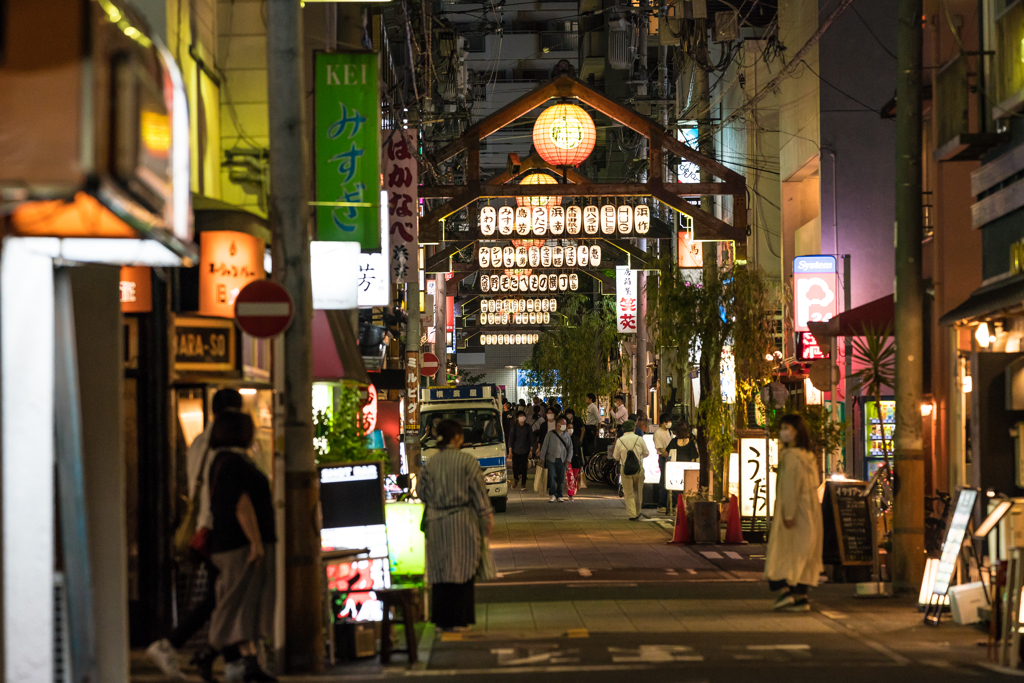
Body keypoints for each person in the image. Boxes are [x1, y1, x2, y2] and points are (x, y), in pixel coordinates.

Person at [147, 388, 243, 682]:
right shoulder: (222, 445)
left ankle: (228, 659)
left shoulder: (200, 442)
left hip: (205, 528)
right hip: (220, 530)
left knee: (220, 596)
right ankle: (171, 645)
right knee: (220, 598)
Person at [206, 410, 278, 682]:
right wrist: (256, 542)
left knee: (240, 604)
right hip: (240, 546)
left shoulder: (221, 462)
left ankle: (249, 662)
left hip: (230, 543)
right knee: (237, 603)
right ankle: (210, 652)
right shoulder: (235, 464)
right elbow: (242, 505)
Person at [419, 420, 495, 630]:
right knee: (463, 567)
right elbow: (479, 495)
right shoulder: (467, 462)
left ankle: (442, 620)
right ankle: (461, 618)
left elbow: (421, 493)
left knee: (440, 569)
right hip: (463, 520)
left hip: (435, 520)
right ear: (457, 438)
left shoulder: (430, 464)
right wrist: (486, 518)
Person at [765, 414, 824, 612]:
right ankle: (801, 596)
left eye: (786, 427)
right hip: (810, 512)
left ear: (796, 432)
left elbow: (790, 488)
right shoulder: (808, 457)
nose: (783, 431)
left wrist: (788, 514)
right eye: (782, 427)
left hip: (793, 513)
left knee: (783, 553)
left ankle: (784, 593)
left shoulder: (790, 458)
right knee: (804, 554)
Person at [613, 420, 649, 520]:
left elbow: (616, 456)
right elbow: (646, 453)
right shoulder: (639, 439)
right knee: (638, 491)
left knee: (628, 492)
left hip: (625, 468)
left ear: (623, 429)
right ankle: (638, 512)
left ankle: (632, 514)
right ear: (634, 428)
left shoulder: (620, 440)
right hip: (638, 467)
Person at [538, 416, 573, 502]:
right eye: (563, 424)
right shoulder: (550, 434)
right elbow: (544, 447)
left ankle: (560, 495)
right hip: (551, 459)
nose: (565, 426)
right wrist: (542, 458)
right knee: (552, 476)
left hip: (562, 459)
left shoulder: (567, 435)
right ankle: (552, 494)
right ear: (558, 425)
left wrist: (568, 459)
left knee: (561, 478)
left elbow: (570, 448)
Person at [506, 410, 533, 490]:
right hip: (515, 450)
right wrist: (510, 452)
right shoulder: (514, 427)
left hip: (525, 450)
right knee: (515, 467)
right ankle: (515, 479)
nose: (522, 417)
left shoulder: (528, 427)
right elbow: (510, 440)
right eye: (520, 416)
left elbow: (531, 439)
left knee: (524, 467)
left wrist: (531, 450)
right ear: (517, 418)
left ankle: (523, 483)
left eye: (523, 416)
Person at [653, 415, 673, 513]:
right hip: (663, 458)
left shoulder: (669, 432)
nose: (669, 423)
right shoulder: (658, 432)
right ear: (663, 422)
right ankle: (661, 504)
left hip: (670, 458)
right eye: (667, 421)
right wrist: (667, 455)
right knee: (663, 480)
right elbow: (659, 447)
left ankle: (669, 504)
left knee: (669, 480)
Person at [563, 409, 585, 499]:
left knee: (574, 477)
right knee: (570, 476)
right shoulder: (563, 438)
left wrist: (581, 464)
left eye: (571, 428)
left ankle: (573, 491)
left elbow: (579, 452)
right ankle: (570, 493)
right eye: (569, 428)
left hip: (576, 460)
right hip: (568, 460)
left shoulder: (576, 439)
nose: (570, 429)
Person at [584, 393, 601, 458]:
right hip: (589, 427)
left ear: (590, 399)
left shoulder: (593, 407)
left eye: (587, 398)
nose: (585, 399)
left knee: (590, 444)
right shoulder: (589, 407)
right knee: (588, 444)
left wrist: (597, 430)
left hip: (591, 427)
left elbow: (599, 419)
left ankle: (591, 458)